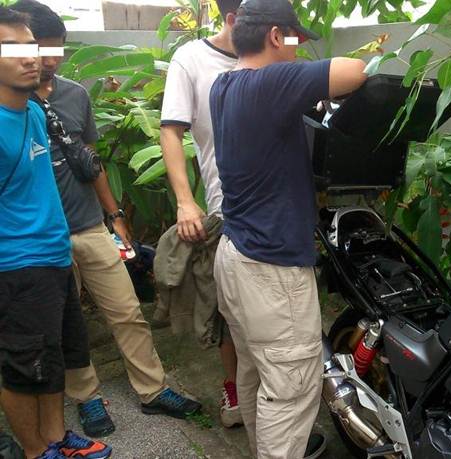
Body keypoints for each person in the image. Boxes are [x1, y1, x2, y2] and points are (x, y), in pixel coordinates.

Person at [10, 0, 201, 439]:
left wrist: (114, 214)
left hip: (88, 226)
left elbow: (89, 160)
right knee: (66, 324)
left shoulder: (75, 94)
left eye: (59, 48)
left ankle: (153, 390)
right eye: (44, 48)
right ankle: (87, 397)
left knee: (127, 311)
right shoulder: (12, 105)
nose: (54, 59)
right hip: (41, 238)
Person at [209, 0, 367, 456]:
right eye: (295, 40)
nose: (298, 51)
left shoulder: (225, 85)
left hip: (236, 254)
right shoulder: (269, 82)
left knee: (257, 373)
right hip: (271, 270)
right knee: (292, 389)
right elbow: (352, 71)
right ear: (276, 36)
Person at [0, 6, 112, 458]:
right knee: (22, 369)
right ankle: (33, 451)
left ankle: (55, 440)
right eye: (13, 49)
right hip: (17, 267)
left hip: (52, 256)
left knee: (50, 361)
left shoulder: (30, 111)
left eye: (32, 47)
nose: (31, 58)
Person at [159, 0, 246, 433]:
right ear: (232, 17)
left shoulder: (272, 54)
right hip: (225, 207)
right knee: (228, 309)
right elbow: (171, 129)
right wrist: (184, 200)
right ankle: (234, 388)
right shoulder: (191, 58)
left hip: (277, 207)